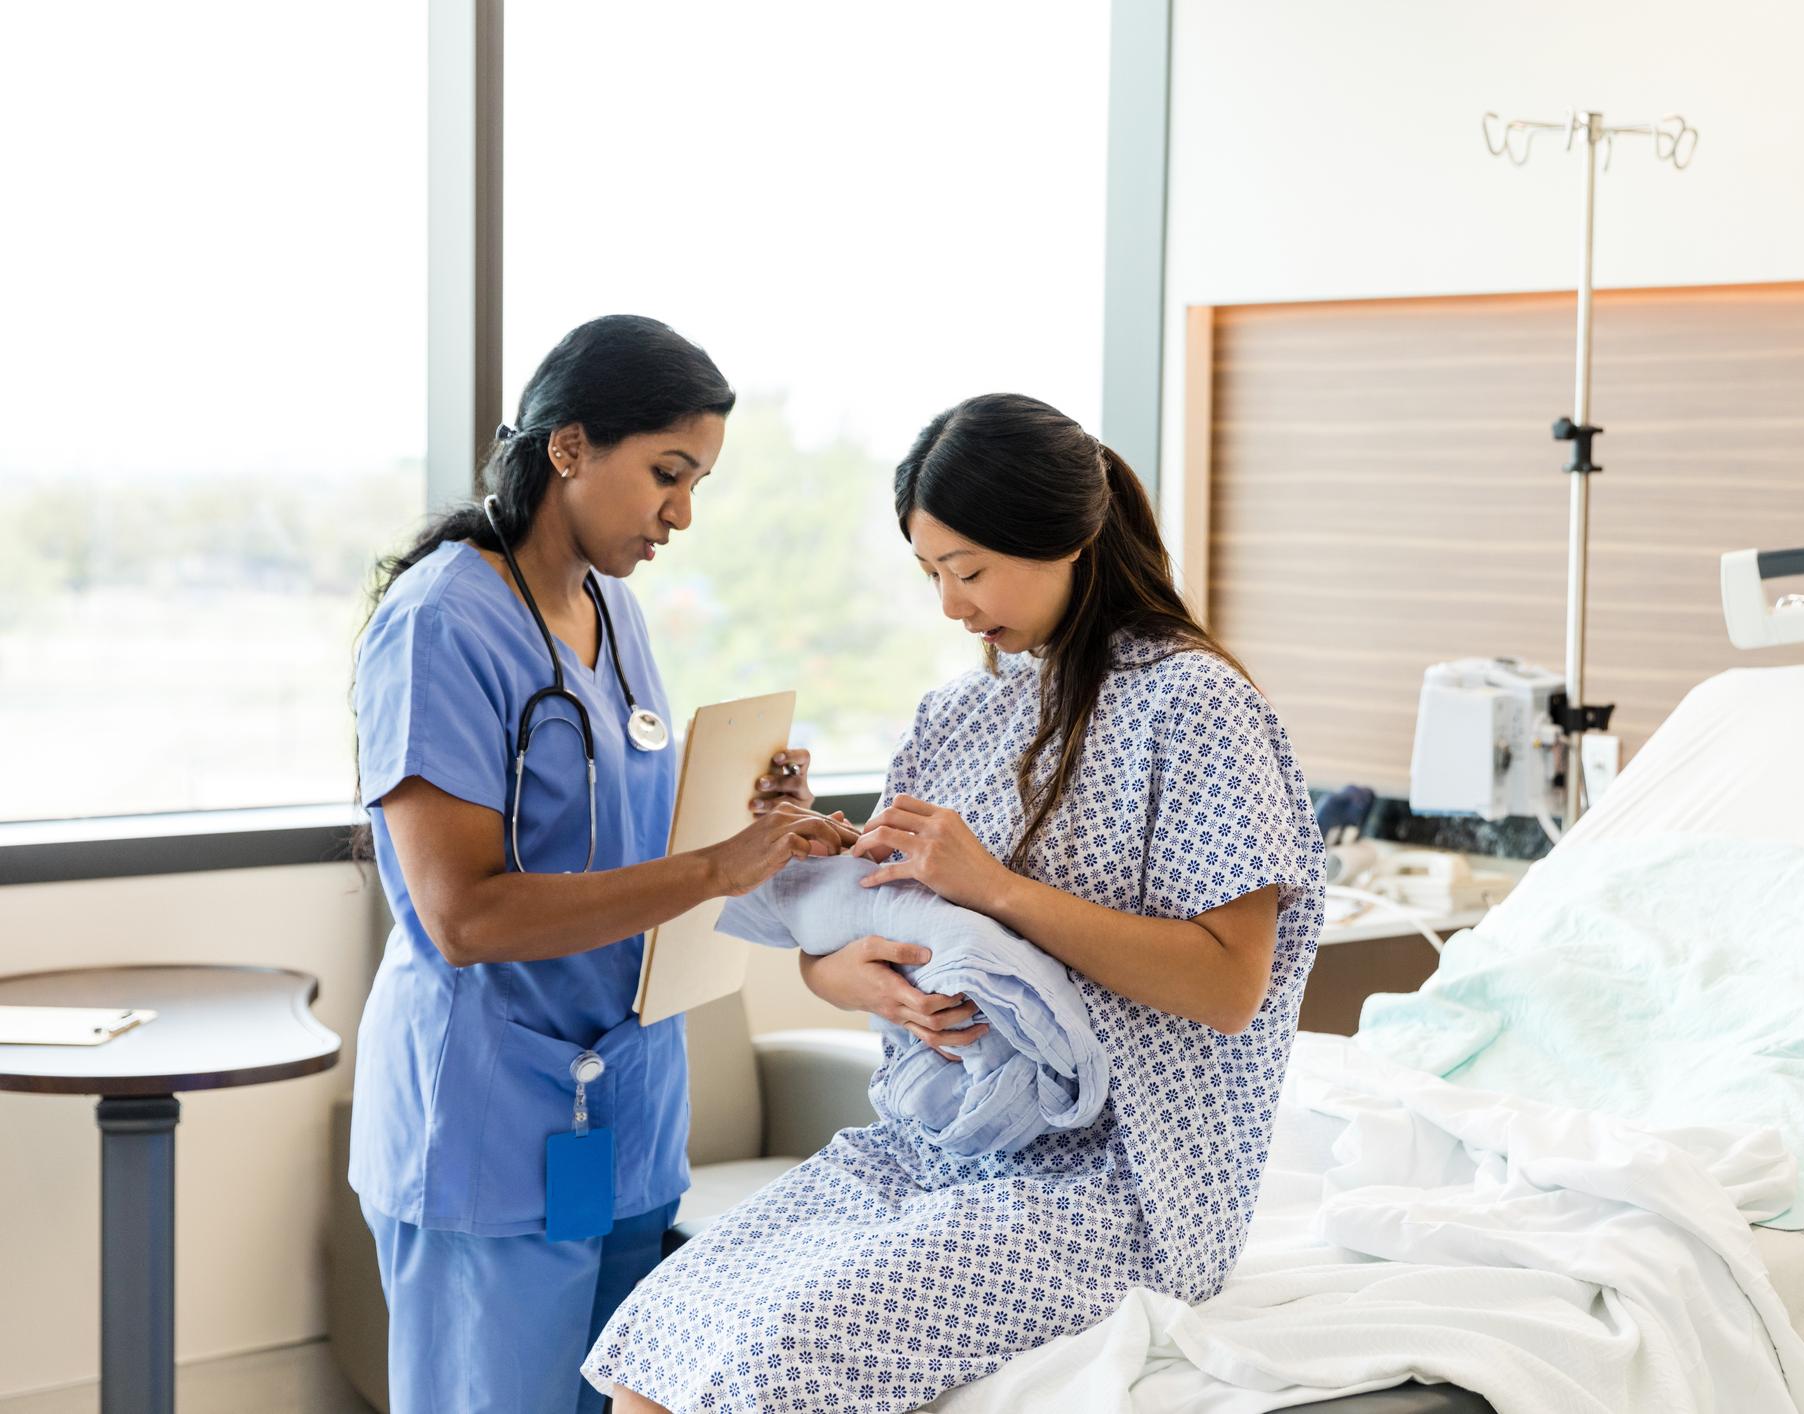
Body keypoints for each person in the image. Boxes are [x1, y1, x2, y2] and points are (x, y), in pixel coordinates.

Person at [587, 392, 1326, 1413]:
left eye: (969, 570)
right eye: (931, 572)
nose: (949, 603)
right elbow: (853, 948)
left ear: (1066, 536)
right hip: (933, 1143)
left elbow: (1230, 985)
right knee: (652, 1336)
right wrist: (859, 973)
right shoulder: (957, 715)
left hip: (1116, 1181)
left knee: (771, 1360)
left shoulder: (1195, 706)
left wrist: (994, 888)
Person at [349, 314, 856, 1414]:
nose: (682, 512)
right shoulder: (442, 623)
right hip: (490, 1111)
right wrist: (718, 868)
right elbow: (464, 918)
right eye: (667, 473)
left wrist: (756, 819)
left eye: (699, 482)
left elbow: (629, 834)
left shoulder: (612, 609)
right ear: (569, 447)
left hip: (624, 1105)